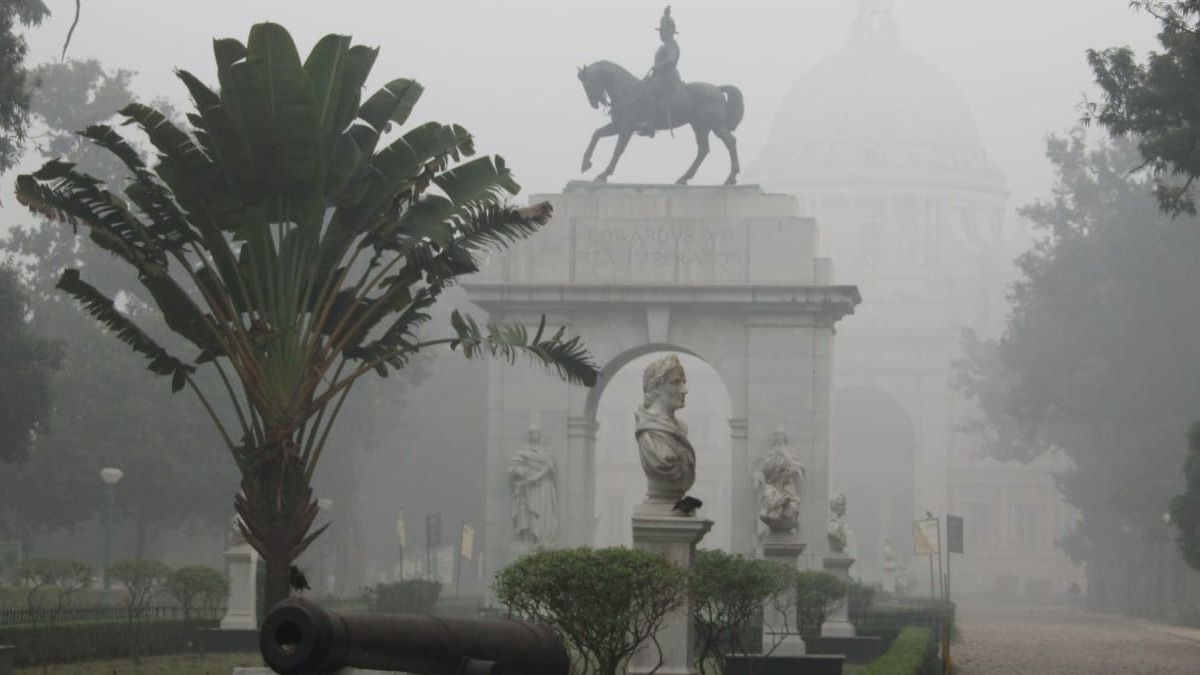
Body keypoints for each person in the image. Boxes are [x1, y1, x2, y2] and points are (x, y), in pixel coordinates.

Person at [635, 354, 696, 505]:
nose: (684, 389)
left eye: (683, 382)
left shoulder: (681, 428)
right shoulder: (649, 430)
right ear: (656, 387)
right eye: (675, 382)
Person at [508, 426, 559, 545]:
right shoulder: (524, 451)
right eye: (532, 433)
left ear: (539, 435)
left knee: (541, 513)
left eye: (536, 433)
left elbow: (551, 466)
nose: (534, 435)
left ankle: (541, 538)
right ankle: (528, 538)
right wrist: (521, 472)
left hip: (543, 486)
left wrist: (537, 476)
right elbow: (514, 466)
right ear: (529, 436)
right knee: (527, 513)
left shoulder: (545, 451)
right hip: (527, 486)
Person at [637, 6, 682, 137]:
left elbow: (671, 59)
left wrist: (657, 66)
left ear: (670, 31)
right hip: (659, 76)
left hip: (668, 77)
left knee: (650, 91)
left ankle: (650, 125)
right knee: (642, 87)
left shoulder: (673, 46)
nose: (661, 33)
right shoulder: (664, 46)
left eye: (663, 31)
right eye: (660, 31)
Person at [753, 426, 806, 534]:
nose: (779, 437)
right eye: (777, 434)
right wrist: (758, 477)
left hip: (786, 488)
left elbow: (799, 466)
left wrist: (793, 469)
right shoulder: (768, 453)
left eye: (781, 434)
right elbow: (760, 468)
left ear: (784, 437)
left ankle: (785, 517)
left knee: (791, 506)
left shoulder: (790, 452)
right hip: (772, 487)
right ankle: (773, 513)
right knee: (770, 498)